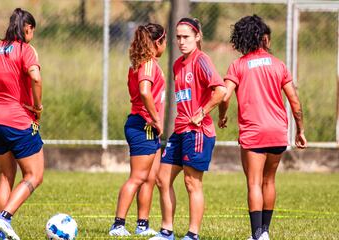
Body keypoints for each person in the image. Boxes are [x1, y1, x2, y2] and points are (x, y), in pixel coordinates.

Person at [218, 15, 307, 240]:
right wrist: (300, 130)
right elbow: (295, 102)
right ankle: (264, 232)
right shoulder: (278, 65)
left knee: (254, 183)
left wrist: (222, 115)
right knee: (269, 180)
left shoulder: (238, 66)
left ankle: (257, 234)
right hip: (278, 131)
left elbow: (225, 96)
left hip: (254, 132)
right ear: (264, 38)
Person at [150, 18, 227, 240]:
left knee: (192, 183)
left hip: (198, 131)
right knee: (162, 179)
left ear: (197, 37)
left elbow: (220, 91)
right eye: (179, 37)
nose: (182, 42)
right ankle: (166, 232)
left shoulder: (202, 60)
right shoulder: (177, 64)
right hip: (180, 129)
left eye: (186, 37)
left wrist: (202, 112)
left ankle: (192, 234)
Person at [0, 8, 44, 240]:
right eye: (32, 31)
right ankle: (5, 217)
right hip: (18, 120)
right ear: (27, 28)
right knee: (34, 175)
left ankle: (2, 235)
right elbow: (35, 77)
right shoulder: (25, 50)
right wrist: (37, 106)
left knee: (5, 177)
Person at [109, 23, 167, 237]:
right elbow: (144, 92)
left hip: (145, 126)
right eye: (165, 41)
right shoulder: (148, 63)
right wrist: (156, 118)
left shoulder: (138, 63)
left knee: (150, 177)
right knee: (137, 177)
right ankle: (118, 225)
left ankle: (142, 224)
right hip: (143, 125)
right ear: (158, 42)